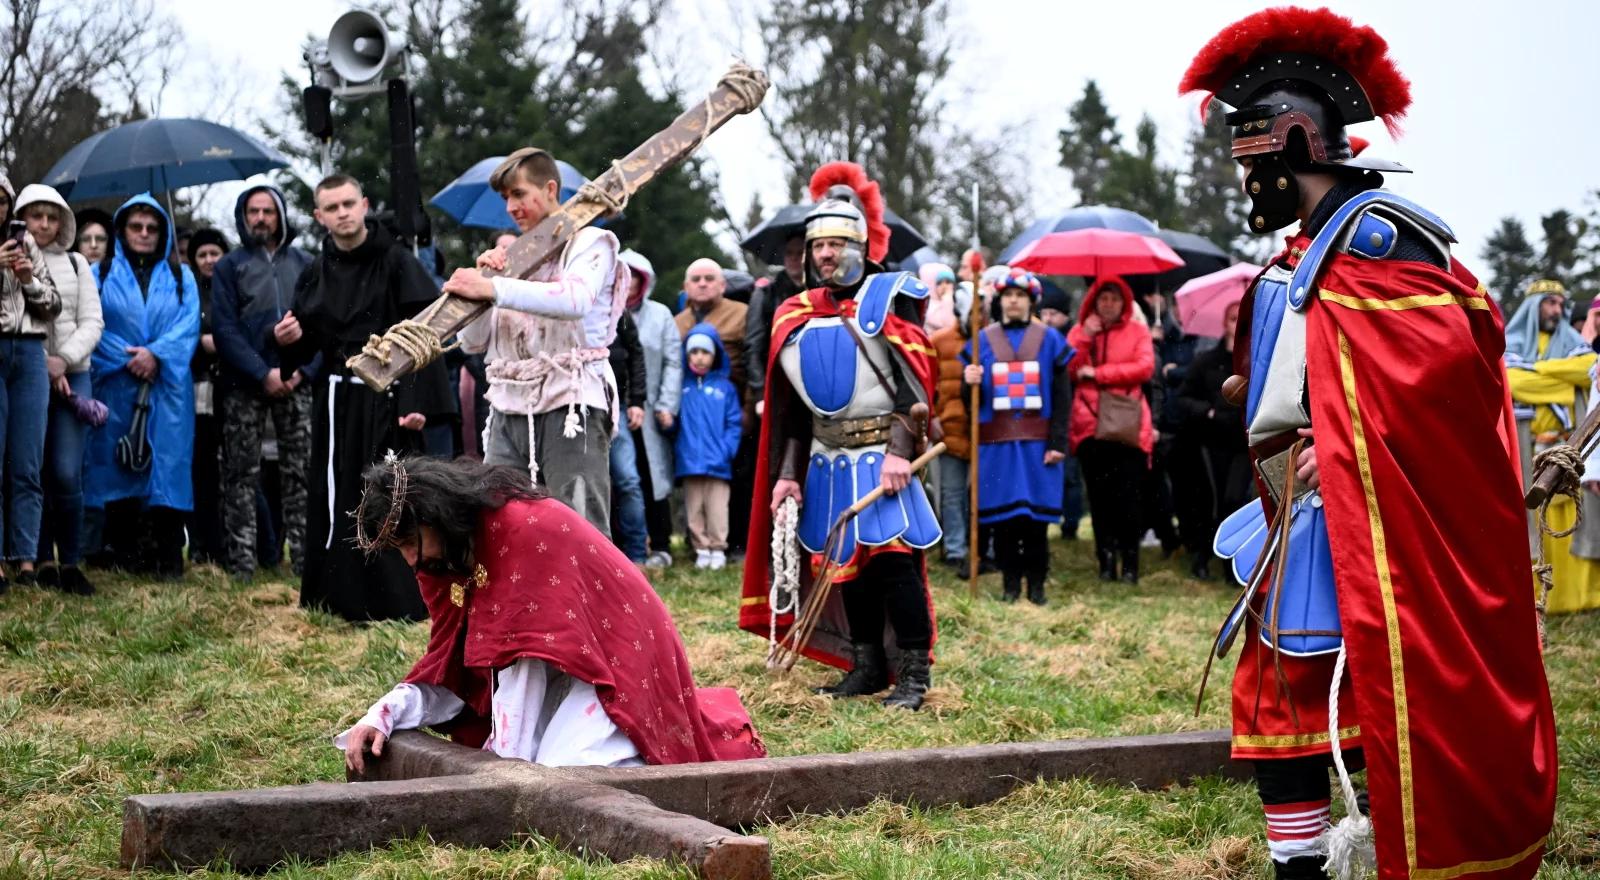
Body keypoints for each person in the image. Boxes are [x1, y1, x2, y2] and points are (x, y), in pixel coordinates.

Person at [1180, 9, 1556, 879]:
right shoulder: (1308, 252)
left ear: (1300, 145)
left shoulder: (1383, 247)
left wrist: (1343, 440)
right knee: (1282, 708)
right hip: (1303, 524)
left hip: (1375, 532)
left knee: (1372, 706)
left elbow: (1438, 392)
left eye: (1255, 166)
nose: (1248, 187)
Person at [335, 455, 765, 769]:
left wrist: (503, 770)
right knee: (543, 772)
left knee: (568, 770)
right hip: (552, 669)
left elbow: (524, 657)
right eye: (400, 551)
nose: (410, 560)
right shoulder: (439, 559)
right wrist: (383, 714)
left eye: (410, 542)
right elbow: (452, 662)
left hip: (615, 662)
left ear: (433, 514)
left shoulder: (522, 530)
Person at [739, 162, 941, 711]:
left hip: (882, 454)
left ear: (859, 246)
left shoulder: (889, 298)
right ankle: (867, 664)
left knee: (895, 563)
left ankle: (914, 675)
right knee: (842, 565)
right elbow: (793, 414)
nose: (826, 254)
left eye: (836, 244)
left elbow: (914, 391)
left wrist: (902, 453)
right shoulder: (793, 313)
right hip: (826, 460)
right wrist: (786, 476)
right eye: (817, 245)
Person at [273, 173, 453, 622]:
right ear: (319, 216)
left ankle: (400, 601)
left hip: (389, 399)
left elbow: (426, 333)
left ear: (365, 204)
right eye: (332, 208)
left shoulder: (396, 262)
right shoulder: (316, 270)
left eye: (349, 203)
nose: (343, 213)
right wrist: (288, 339)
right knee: (339, 496)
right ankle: (339, 598)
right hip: (337, 401)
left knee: (392, 493)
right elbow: (309, 339)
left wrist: (417, 401)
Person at [441, 148, 626, 534]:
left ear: (551, 188)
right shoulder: (508, 259)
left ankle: (585, 597)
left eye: (519, 193)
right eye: (506, 197)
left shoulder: (590, 240)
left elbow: (574, 300)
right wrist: (479, 289)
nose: (510, 206)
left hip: (572, 401)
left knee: (579, 523)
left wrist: (494, 289)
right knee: (498, 519)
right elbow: (473, 343)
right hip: (508, 404)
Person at [85, 194, 198, 580]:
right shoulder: (99, 274)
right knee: (117, 464)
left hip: (167, 389)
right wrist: (132, 358)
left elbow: (188, 329)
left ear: (163, 232)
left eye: (152, 228)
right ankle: (126, 554)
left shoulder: (183, 278)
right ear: (122, 230)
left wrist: (156, 355)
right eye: (136, 226)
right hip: (117, 385)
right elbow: (93, 327)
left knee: (167, 465)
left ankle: (168, 557)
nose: (145, 234)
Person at [210, 185, 316, 579]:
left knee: (300, 472)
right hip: (244, 384)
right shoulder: (229, 266)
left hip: (297, 381)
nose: (260, 218)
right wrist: (262, 372)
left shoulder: (306, 263)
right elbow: (224, 330)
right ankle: (242, 565)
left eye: (268, 211)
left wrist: (303, 371)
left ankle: (306, 562)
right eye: (253, 211)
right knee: (240, 474)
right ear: (243, 216)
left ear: (281, 215)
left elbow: (323, 325)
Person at [961, 268, 1072, 604]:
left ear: (1031, 301)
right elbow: (970, 404)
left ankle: (1036, 588)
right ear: (1000, 300)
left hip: (1037, 444)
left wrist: (1057, 443)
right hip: (998, 445)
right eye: (1008, 295)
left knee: (1035, 522)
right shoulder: (982, 342)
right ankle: (1010, 588)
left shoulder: (1050, 339)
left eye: (1020, 295)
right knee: (1006, 521)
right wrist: (970, 383)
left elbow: (1062, 395)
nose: (1013, 301)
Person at [16, 185, 102, 595]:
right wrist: (41, 365)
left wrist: (62, 360)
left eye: (53, 217)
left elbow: (93, 322)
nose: (45, 225)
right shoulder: (11, 258)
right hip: (25, 375)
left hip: (73, 375)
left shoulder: (77, 262)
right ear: (22, 218)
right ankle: (40, 560)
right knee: (34, 469)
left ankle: (71, 560)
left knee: (67, 471)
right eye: (37, 216)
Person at [1503, 279, 1600, 613]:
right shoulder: (1510, 345)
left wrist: (1538, 375)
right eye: (1550, 303)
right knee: (1533, 517)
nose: (1558, 311)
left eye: (1561, 304)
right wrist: (1561, 386)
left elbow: (1586, 369)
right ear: (1534, 307)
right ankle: (1538, 597)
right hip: (1528, 446)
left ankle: (1581, 599)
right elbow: (1511, 379)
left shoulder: (1574, 343)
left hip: (1568, 441)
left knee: (1575, 514)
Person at [1067, 276, 1153, 583]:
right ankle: (1105, 561)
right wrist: (1086, 337)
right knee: (1099, 499)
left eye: (1114, 299)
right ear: (1093, 301)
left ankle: (1130, 564)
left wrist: (1100, 374)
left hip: (1126, 425)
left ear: (1124, 303)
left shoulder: (1137, 331)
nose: (1108, 304)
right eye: (1103, 298)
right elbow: (1069, 367)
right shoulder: (1081, 331)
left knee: (1128, 498)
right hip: (1090, 425)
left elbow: (1144, 367)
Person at [674, 259, 754, 560]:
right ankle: (697, 541)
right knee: (694, 484)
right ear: (686, 287)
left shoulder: (742, 314)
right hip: (693, 412)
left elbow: (753, 361)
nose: (703, 283)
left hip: (733, 406)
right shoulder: (678, 322)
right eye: (696, 278)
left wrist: (748, 407)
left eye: (710, 278)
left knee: (738, 476)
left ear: (723, 285)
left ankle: (734, 543)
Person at [1171, 299, 1250, 580]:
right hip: (1211, 442)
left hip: (1244, 443)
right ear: (1223, 324)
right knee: (1209, 502)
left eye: (1241, 318)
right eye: (1231, 319)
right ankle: (1202, 556)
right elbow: (1183, 398)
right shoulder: (1205, 361)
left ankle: (1233, 565)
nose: (1236, 324)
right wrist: (1208, 411)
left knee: (1234, 499)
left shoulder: (1256, 359)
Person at [621, 250, 680, 567]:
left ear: (645, 281)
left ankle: (661, 542)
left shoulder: (660, 315)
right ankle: (626, 543)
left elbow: (673, 361)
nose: (629, 282)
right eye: (623, 274)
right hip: (617, 408)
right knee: (624, 476)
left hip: (653, 408)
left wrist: (667, 403)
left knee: (653, 474)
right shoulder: (606, 311)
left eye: (635, 276)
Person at [675, 325, 742, 570]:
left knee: (717, 509)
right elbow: (674, 422)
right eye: (694, 352)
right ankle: (700, 548)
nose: (699, 357)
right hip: (689, 460)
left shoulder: (725, 388)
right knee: (694, 509)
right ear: (687, 355)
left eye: (705, 352)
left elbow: (734, 423)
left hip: (719, 462)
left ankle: (717, 548)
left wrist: (727, 451)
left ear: (715, 355)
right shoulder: (682, 387)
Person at [183, 228, 230, 567]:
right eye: (202, 255)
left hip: (230, 388)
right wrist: (200, 342)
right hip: (197, 389)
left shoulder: (232, 288)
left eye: (215, 253)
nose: (209, 260)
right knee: (201, 470)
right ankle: (202, 543)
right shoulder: (188, 292)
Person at [929, 288, 974, 571]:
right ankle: (955, 548)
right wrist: (931, 416)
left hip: (983, 430)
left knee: (981, 494)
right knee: (952, 493)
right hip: (949, 427)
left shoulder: (993, 342)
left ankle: (983, 548)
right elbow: (926, 383)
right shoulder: (939, 342)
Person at [1038, 283, 1085, 539]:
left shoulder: (1073, 338)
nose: (1048, 318)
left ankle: (1071, 524)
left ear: (1065, 315)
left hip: (1074, 415)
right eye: (1044, 312)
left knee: (1070, 476)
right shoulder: (1037, 339)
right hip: (1045, 416)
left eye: (1054, 313)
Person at [746, 233, 806, 418]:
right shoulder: (766, 294)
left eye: (800, 252)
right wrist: (760, 394)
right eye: (789, 253)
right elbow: (753, 347)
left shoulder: (822, 291)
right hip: (778, 386)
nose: (794, 258)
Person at [606, 307, 649, 564]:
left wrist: (637, 401)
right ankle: (604, 555)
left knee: (628, 480)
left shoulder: (617, 310)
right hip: (575, 406)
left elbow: (636, 354)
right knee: (591, 484)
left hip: (617, 405)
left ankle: (637, 555)